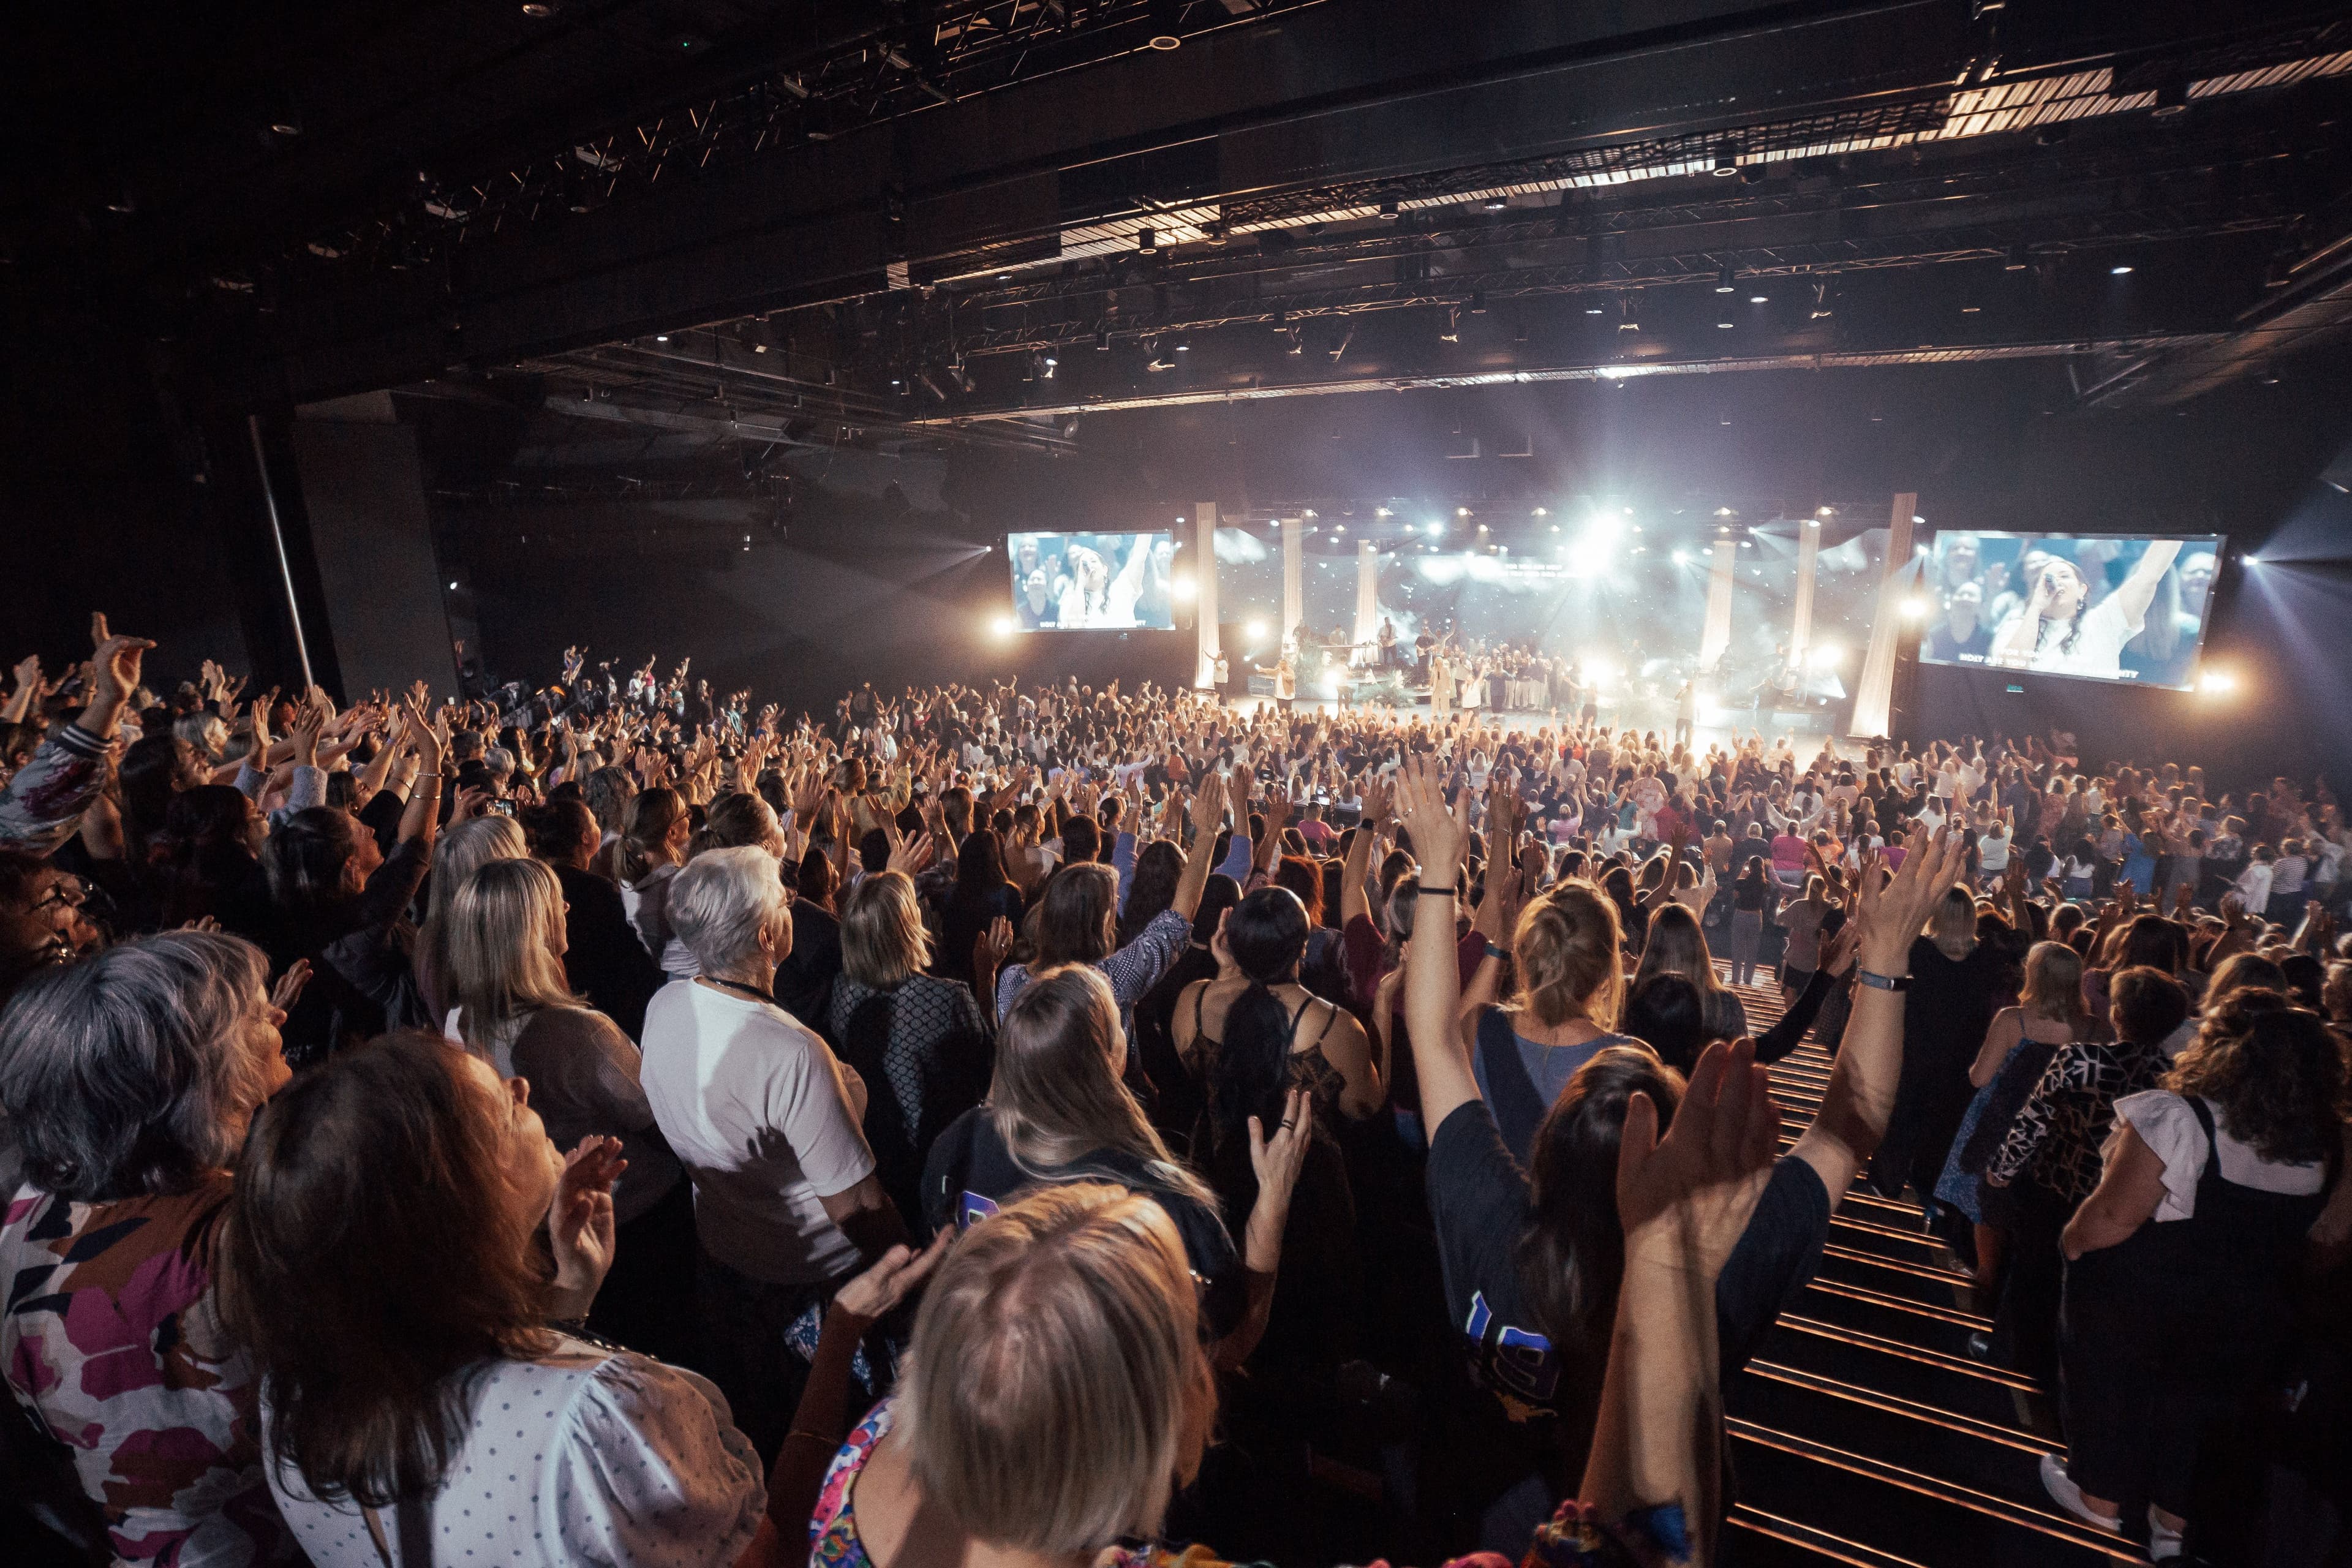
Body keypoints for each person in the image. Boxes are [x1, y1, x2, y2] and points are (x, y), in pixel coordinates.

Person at [1396, 759, 1969, 1548]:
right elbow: (1848, 1128)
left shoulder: (1499, 1228)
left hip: (1488, 1512)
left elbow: (1431, 1035)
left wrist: (1436, 870)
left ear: (1547, 1148)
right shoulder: (1726, 1261)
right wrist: (1888, 958)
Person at [221, 1031, 790, 1568]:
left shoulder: (294, 1410)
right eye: (500, 1108)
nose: (520, 1087)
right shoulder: (597, 1422)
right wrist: (843, 1334)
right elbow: (772, 1554)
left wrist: (570, 1296)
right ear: (460, 1204)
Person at [1, 932, 298, 1568]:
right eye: (253, 1015)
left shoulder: (30, 1209)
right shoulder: (228, 1243)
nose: (276, 1019)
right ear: (202, 1078)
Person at [2045, 995, 2350, 1559]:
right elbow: (2328, 1238)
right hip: (2249, 1312)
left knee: (2112, 1381)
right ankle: (2171, 1530)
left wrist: (2071, 1246)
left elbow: (2111, 1217)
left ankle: (2100, 1501)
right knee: (2200, 1410)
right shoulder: (2331, 1142)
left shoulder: (2183, 1115)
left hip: (2150, 1297)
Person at [639, 845, 903, 1460]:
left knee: (757, 1430)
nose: (794, 903)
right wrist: (913, 1275)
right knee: (825, 1447)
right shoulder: (791, 1052)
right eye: (784, 899)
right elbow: (862, 1208)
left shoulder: (665, 1004)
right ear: (768, 935)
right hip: (808, 1283)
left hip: (725, 1263)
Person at [920, 963, 1311, 1371]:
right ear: (1112, 1058)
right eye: (1119, 1021)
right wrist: (1274, 1196)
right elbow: (1226, 1347)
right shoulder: (1157, 1201)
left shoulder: (956, 1145)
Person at [443, 854, 693, 1363]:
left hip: (548, 1227)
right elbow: (657, 1116)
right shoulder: (580, 1033)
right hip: (633, 1222)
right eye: (555, 903)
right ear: (533, 929)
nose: (568, 906)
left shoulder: (459, 1022)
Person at [1980, 966, 2182, 1380]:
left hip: (2053, 1186)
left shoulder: (2080, 1059)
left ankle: (2010, 1361)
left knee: (2032, 1273)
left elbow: (2033, 1121)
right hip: (2119, 1201)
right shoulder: (2173, 1081)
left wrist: (2001, 1171)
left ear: (2118, 1015)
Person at [829, 868, 993, 1227]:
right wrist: (987, 979)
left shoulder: (842, 992)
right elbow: (992, 1073)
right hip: (942, 1160)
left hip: (874, 1155)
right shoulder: (948, 997)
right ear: (909, 929)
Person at [1989, 540, 2184, 680]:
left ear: (2082, 590)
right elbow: (2010, 673)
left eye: (2064, 576)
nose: (2055, 583)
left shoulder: (2104, 620)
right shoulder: (2015, 626)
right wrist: (2036, 607)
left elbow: (2148, 576)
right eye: (2046, 578)